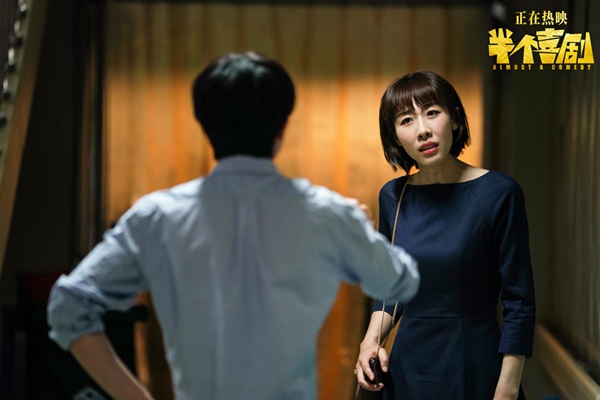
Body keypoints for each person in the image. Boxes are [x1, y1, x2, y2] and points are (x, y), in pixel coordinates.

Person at [47, 51, 420, 400]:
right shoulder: (329, 214)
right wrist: (359, 229)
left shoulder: (157, 217)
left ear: (205, 125)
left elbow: (68, 307)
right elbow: (401, 281)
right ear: (282, 127)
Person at [354, 70, 535, 400]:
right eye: (406, 120)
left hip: (474, 365)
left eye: (432, 113)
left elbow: (519, 301)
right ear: (395, 137)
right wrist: (370, 342)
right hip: (407, 369)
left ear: (454, 118)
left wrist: (507, 390)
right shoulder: (393, 196)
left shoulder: (500, 193)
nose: (422, 129)